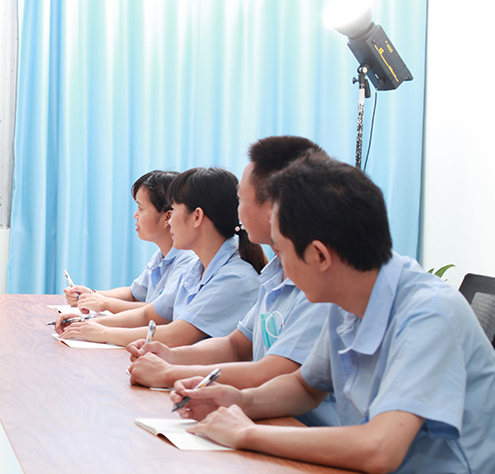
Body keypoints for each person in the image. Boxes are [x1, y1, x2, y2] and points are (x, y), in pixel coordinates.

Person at [174, 157, 495, 474]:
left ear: (320, 255)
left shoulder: (428, 314)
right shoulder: (347, 300)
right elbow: (304, 386)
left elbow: (380, 448)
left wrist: (247, 433)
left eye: (282, 251)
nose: (279, 267)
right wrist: (241, 401)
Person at [127, 137, 338, 427]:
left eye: (242, 199)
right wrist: (171, 357)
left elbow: (273, 372)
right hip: (270, 419)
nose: (236, 211)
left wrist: (168, 372)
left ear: (276, 207)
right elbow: (237, 345)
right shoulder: (275, 272)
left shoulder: (316, 284)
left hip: (300, 429)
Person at [55, 166, 264, 348]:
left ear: (197, 217)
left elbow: (176, 335)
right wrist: (88, 322)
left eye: (175, 211)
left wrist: (103, 332)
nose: (170, 221)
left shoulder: (234, 278)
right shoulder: (197, 269)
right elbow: (148, 314)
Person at [64, 170, 197, 313]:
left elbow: (163, 311)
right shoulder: (160, 256)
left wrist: (105, 303)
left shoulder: (188, 261)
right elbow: (134, 294)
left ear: (167, 217)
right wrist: (91, 295)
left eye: (141, 208)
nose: (135, 215)